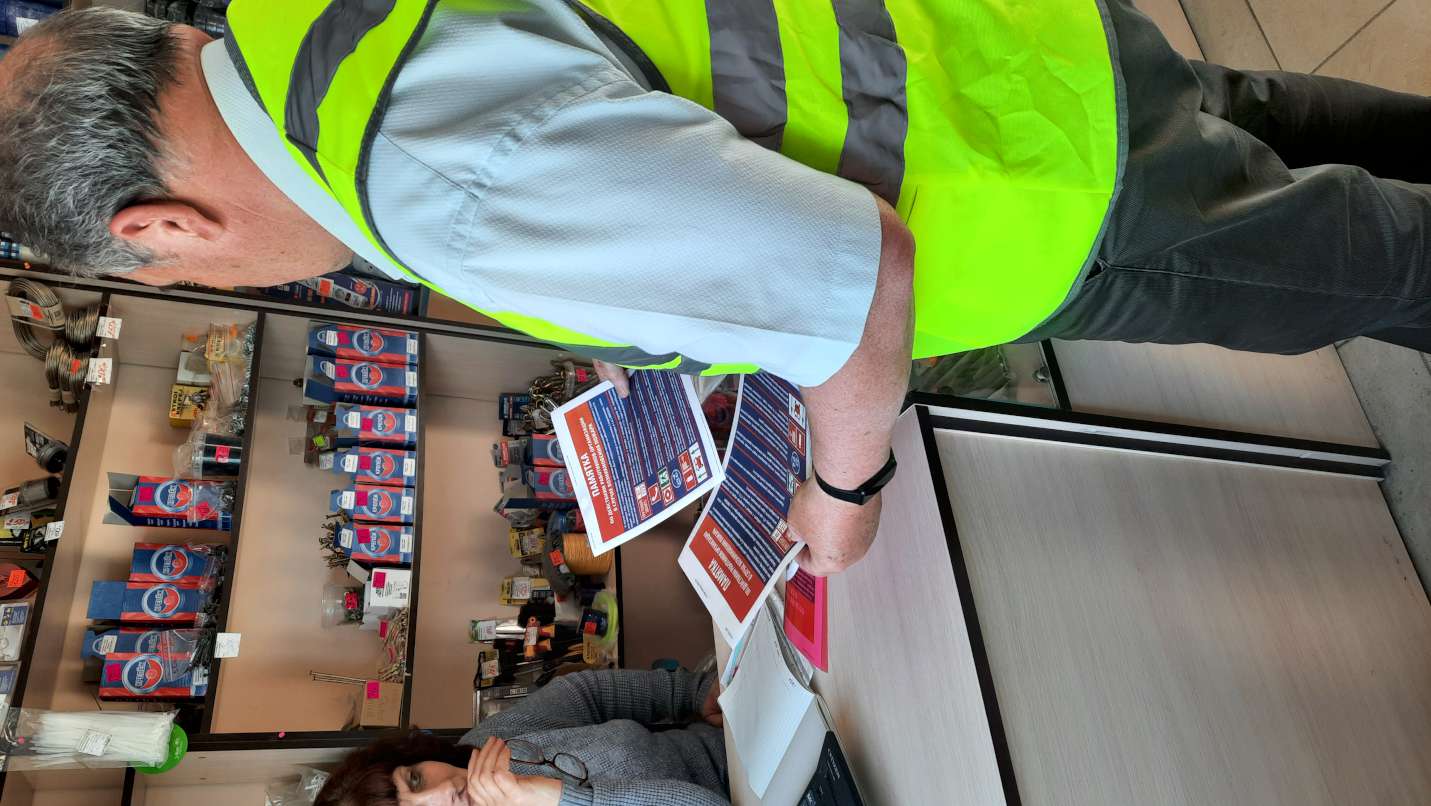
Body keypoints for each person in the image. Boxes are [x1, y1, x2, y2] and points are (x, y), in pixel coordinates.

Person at [1, 2, 1428, 575]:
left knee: (1374, 260)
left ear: (161, 227)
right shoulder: (302, 22)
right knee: (1289, 125)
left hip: (1034, 194)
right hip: (1003, 45)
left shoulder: (423, 184)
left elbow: (856, 277)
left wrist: (845, 489)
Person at [317, 668, 729, 806]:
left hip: (733, 740)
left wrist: (690, 692)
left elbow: (586, 694)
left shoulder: (485, 745)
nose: (444, 792)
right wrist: (559, 798)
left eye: (415, 778)